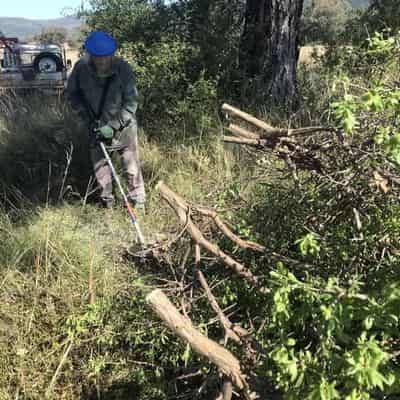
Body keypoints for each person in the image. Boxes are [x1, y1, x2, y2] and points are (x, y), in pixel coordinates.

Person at [66, 31, 145, 210]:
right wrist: (86, 117)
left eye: (106, 57)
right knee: (101, 169)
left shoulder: (123, 69)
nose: (102, 61)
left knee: (131, 167)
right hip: (95, 129)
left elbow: (131, 102)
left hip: (124, 131)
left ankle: (138, 202)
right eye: (97, 57)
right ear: (90, 55)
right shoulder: (81, 69)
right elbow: (72, 95)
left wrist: (114, 125)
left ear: (112, 54)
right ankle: (107, 203)